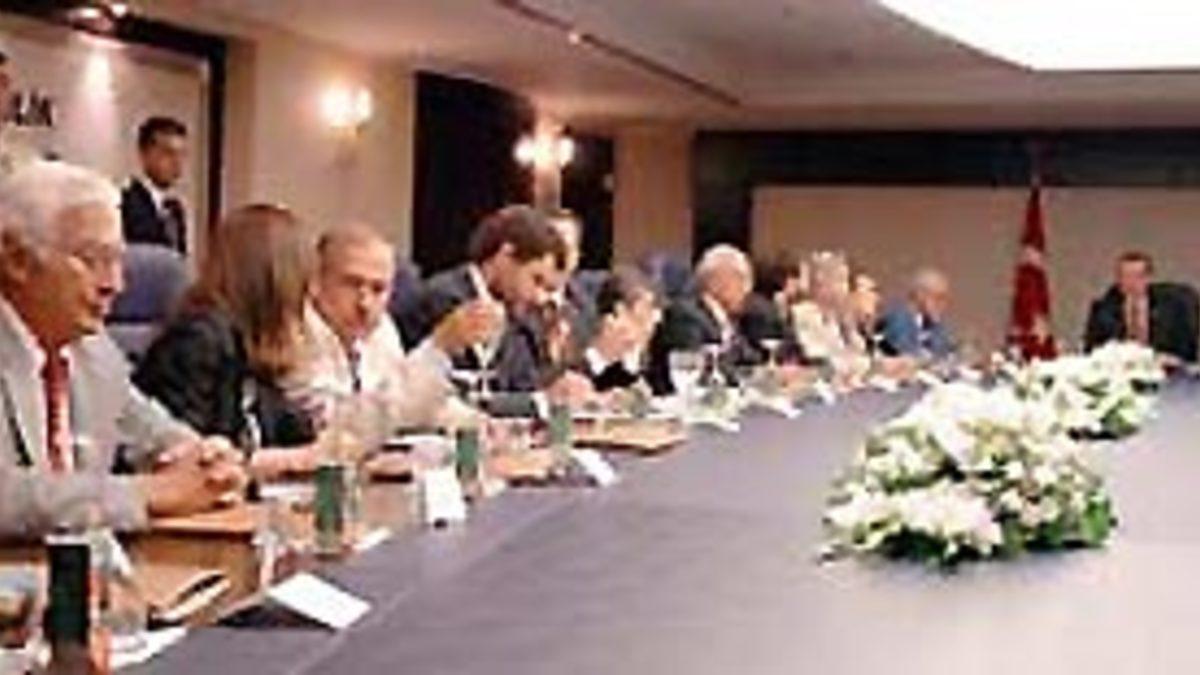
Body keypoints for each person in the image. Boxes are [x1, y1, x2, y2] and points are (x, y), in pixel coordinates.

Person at [0, 160, 244, 536]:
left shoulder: (94, 351)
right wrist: (145, 493)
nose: (114, 285)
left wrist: (208, 462)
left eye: (117, 261)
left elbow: (155, 434)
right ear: (17, 260)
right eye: (92, 260)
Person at [134, 204, 319, 478]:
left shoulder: (252, 343)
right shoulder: (197, 340)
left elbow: (295, 436)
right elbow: (190, 458)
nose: (310, 293)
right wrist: (287, 460)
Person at [285, 224, 493, 429]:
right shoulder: (295, 334)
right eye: (352, 284)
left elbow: (412, 406)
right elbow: (344, 424)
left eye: (378, 289)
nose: (365, 303)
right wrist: (438, 348)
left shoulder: (381, 329)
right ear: (316, 283)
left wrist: (483, 425)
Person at [405, 205, 563, 393]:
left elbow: (524, 390)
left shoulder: (523, 325)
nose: (539, 297)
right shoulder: (440, 300)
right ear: (505, 255)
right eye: (536, 279)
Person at [647, 244, 760, 395]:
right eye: (742, 278)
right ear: (717, 281)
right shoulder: (684, 315)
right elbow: (697, 367)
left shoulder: (723, 319)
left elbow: (749, 361)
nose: (748, 289)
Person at [1084, 251, 1199, 363]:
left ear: (1148, 278)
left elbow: (1185, 347)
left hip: (1163, 366)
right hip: (1119, 368)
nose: (1131, 282)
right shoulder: (1103, 309)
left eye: (1138, 276)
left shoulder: (1172, 306)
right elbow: (1092, 350)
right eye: (1126, 276)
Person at [577, 266, 662, 392]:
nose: (655, 320)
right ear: (616, 314)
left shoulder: (649, 360)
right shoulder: (576, 358)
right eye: (643, 314)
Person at [121, 116, 189, 254]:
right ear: (144, 154)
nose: (177, 163)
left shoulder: (175, 210)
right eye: (169, 153)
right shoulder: (125, 204)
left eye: (182, 155)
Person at [876, 266, 956, 360]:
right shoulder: (896, 321)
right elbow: (905, 353)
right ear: (920, 295)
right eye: (939, 298)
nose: (943, 304)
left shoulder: (935, 325)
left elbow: (947, 354)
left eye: (945, 299)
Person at [740, 252, 806, 364]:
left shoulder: (768, 305)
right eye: (797, 278)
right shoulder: (761, 310)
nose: (800, 285)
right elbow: (784, 350)